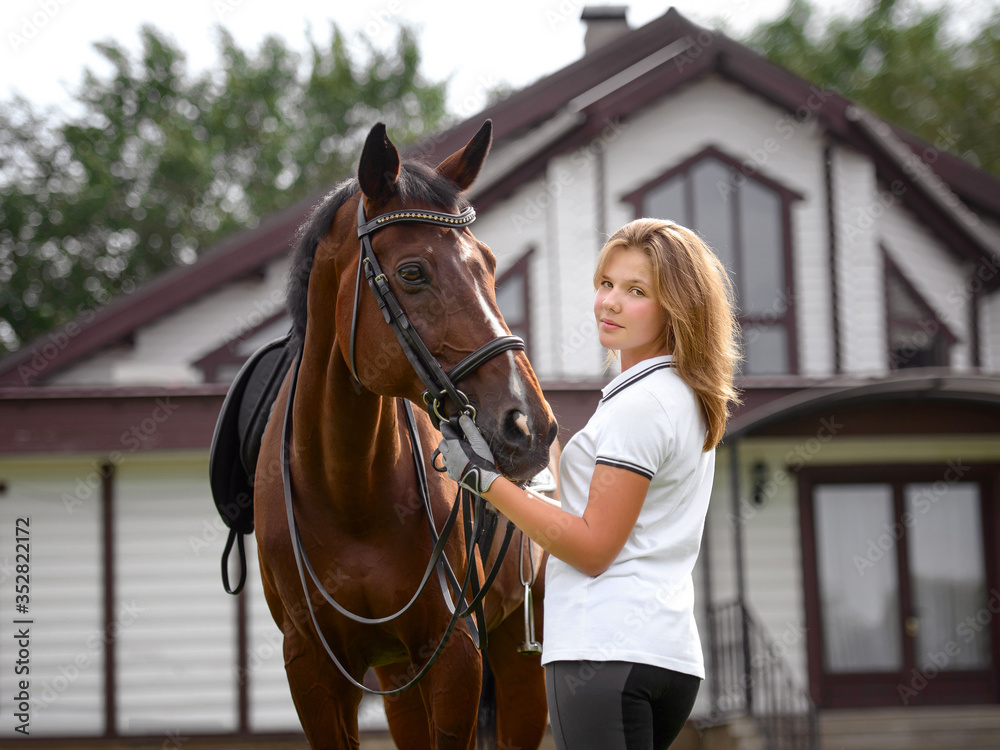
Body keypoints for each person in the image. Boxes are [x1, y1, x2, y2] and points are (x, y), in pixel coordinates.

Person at [438, 218, 741, 750]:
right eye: (606, 284)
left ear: (678, 307)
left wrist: (481, 481)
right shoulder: (680, 395)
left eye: (637, 291)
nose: (610, 303)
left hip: (605, 652)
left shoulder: (640, 406)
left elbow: (592, 547)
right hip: (662, 655)